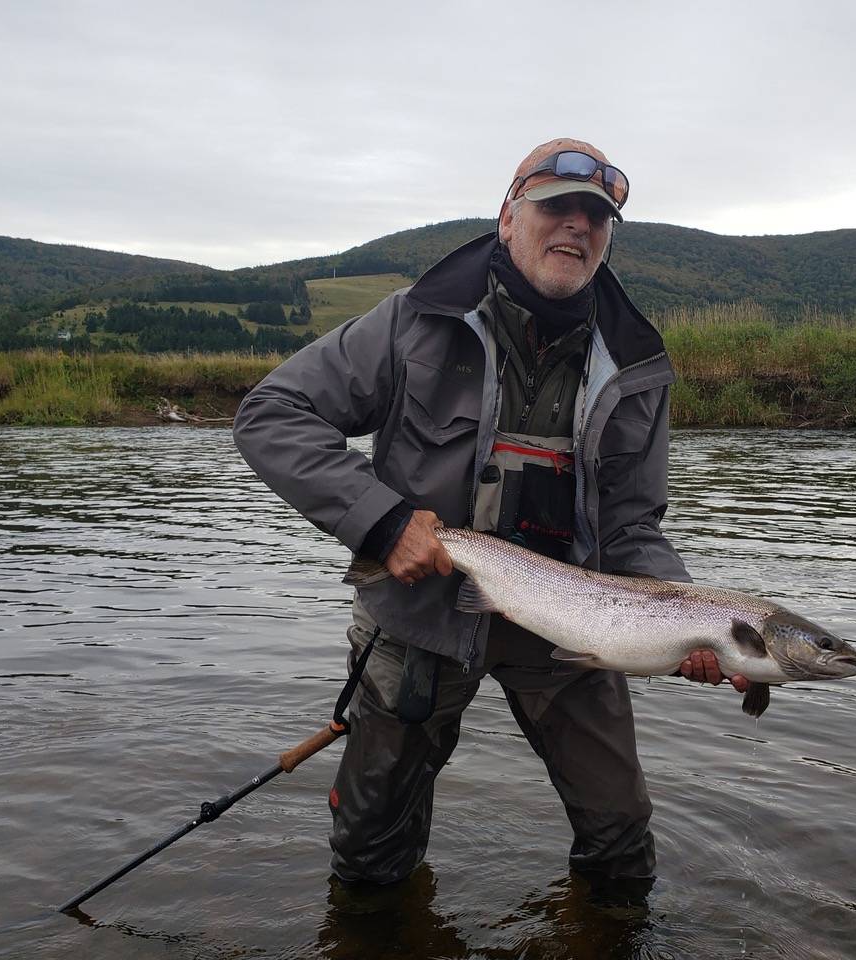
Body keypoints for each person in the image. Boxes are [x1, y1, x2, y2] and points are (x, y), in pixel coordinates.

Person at [233, 138, 747, 887]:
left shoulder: (638, 366)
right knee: (372, 849)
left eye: (595, 217)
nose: (576, 226)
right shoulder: (413, 321)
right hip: (424, 612)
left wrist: (687, 619)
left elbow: (635, 526)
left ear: (608, 238)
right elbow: (272, 413)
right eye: (556, 208)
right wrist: (381, 522)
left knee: (621, 841)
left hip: (575, 624)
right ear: (509, 217)